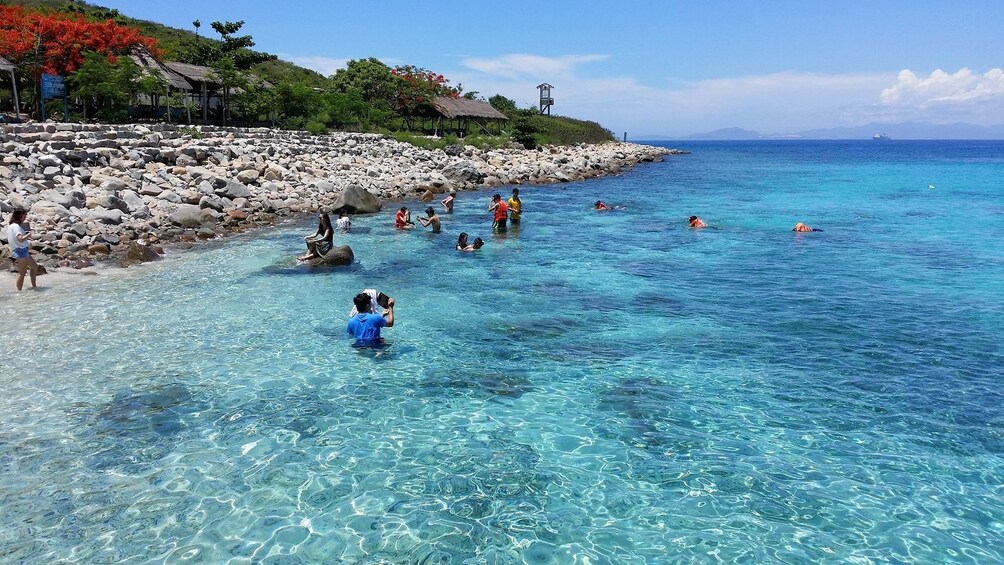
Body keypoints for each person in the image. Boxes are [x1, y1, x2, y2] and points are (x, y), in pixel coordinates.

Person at [7, 209, 39, 291]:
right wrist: (28, 235)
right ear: (20, 216)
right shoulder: (16, 227)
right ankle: (19, 292)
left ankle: (34, 286)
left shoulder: (11, 225)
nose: (25, 217)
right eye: (24, 215)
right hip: (20, 251)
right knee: (21, 273)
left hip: (21, 250)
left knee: (34, 267)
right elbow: (20, 239)